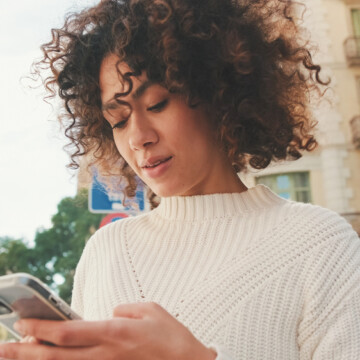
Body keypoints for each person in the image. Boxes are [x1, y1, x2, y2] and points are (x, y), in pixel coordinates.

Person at [1, 0, 360, 359]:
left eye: (157, 104)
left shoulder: (320, 244)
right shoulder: (104, 253)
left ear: (219, 95)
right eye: (119, 121)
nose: (138, 136)